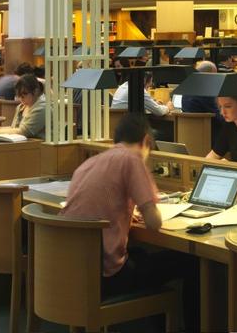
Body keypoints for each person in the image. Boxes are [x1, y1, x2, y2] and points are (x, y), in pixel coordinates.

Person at [61, 114, 196, 315]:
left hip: (73, 269)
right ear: (146, 141)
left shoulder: (89, 163)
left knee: (141, 254)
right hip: (106, 277)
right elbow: (154, 222)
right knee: (190, 262)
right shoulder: (132, 159)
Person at [0, 75, 46, 139]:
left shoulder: (42, 108)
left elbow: (23, 132)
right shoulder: (21, 107)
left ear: (35, 91)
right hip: (25, 144)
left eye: (24, 95)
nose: (21, 99)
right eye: (19, 96)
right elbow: (14, 128)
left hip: (41, 146)